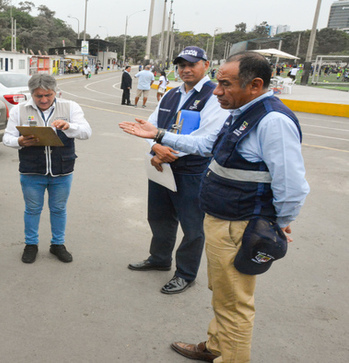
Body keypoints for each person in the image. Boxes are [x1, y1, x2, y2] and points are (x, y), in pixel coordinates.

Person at [120, 51, 309, 362]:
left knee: (234, 303)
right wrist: (159, 134)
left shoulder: (272, 121)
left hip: (242, 224)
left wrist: (276, 222)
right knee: (223, 295)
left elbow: (293, 186)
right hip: (225, 220)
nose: (217, 91)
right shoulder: (242, 112)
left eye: (224, 84)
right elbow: (206, 145)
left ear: (255, 84)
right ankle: (217, 346)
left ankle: (229, 355)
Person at [126, 46, 229, 294]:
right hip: (161, 165)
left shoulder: (212, 96)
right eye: (181, 65)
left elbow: (206, 138)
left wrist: (164, 150)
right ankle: (160, 258)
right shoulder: (171, 94)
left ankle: (185, 273)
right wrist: (156, 148)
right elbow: (149, 125)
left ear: (205, 65)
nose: (185, 69)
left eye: (192, 64)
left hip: (191, 171)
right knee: (159, 217)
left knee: (192, 227)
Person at [2, 74, 92, 264]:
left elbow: (86, 132)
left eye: (48, 95)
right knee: (32, 209)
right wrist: (19, 141)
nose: (44, 100)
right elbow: (7, 138)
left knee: (58, 209)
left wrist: (69, 126)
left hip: (62, 170)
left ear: (55, 92)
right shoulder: (19, 109)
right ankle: (31, 244)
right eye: (38, 96)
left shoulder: (70, 107)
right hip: (31, 171)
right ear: (31, 94)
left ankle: (57, 244)